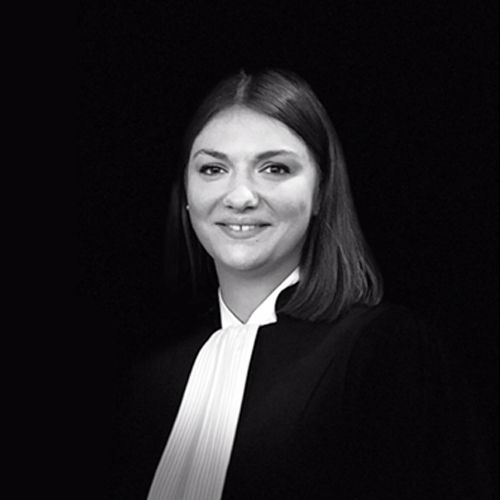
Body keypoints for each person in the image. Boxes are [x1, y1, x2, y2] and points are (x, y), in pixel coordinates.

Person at [109, 69, 492, 499]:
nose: (240, 197)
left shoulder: (383, 348)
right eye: (213, 168)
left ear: (321, 191)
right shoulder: (152, 380)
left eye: (275, 168)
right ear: (186, 193)